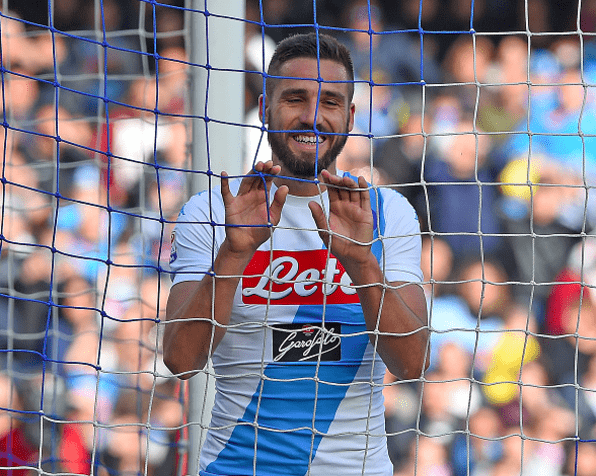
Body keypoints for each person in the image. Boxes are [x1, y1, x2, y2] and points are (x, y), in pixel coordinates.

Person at [163, 32, 429, 476]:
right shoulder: (211, 211)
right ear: (265, 106)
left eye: (329, 102)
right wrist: (234, 253)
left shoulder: (387, 212)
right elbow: (180, 361)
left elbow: (411, 364)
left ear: (349, 115)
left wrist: (361, 262)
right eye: (295, 98)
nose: (312, 117)